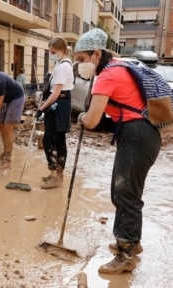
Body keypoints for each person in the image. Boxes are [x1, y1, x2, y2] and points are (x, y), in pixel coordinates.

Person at [74, 28, 161, 274]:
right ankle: (131, 240)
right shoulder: (120, 65)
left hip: (137, 135)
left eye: (81, 59)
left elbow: (91, 120)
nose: (79, 65)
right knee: (123, 190)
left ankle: (126, 255)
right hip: (142, 134)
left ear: (97, 54)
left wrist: (81, 116)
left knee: (125, 194)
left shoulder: (107, 75)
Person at [35, 36, 73, 189]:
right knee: (57, 140)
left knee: (51, 141)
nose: (51, 54)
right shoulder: (61, 63)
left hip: (59, 104)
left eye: (53, 51)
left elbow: (56, 93)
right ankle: (57, 173)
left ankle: (55, 176)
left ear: (62, 51)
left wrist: (41, 108)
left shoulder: (64, 66)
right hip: (59, 104)